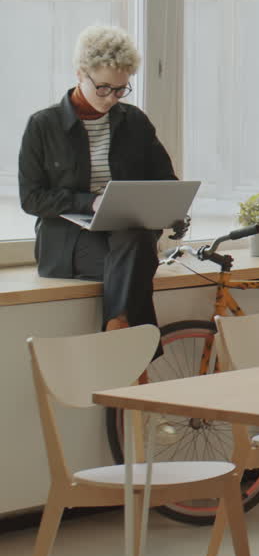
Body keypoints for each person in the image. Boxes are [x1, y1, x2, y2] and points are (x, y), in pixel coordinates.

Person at [18, 25, 185, 333]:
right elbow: (31, 198)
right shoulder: (43, 125)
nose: (111, 98)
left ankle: (117, 328)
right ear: (80, 73)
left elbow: (165, 179)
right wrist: (91, 203)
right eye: (104, 88)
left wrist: (169, 209)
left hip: (128, 237)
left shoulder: (134, 121)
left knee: (134, 243)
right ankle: (126, 341)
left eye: (121, 89)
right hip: (68, 242)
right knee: (136, 260)